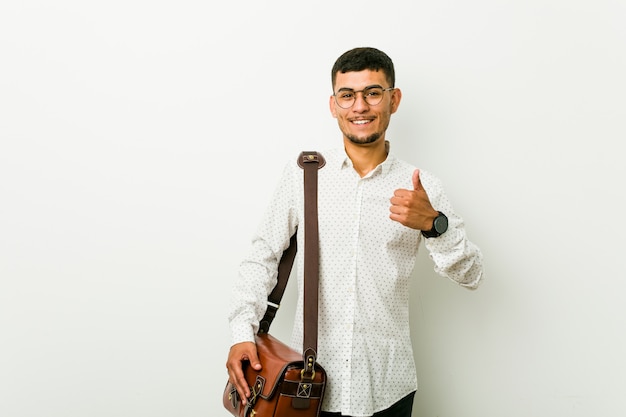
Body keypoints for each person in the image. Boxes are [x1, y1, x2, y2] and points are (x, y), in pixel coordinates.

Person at [225, 47, 484, 417]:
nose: (360, 106)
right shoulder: (303, 173)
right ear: (334, 105)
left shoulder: (423, 186)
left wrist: (434, 224)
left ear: (393, 100)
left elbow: (473, 275)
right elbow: (262, 256)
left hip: (388, 387)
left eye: (373, 93)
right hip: (307, 388)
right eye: (348, 95)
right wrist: (241, 333)